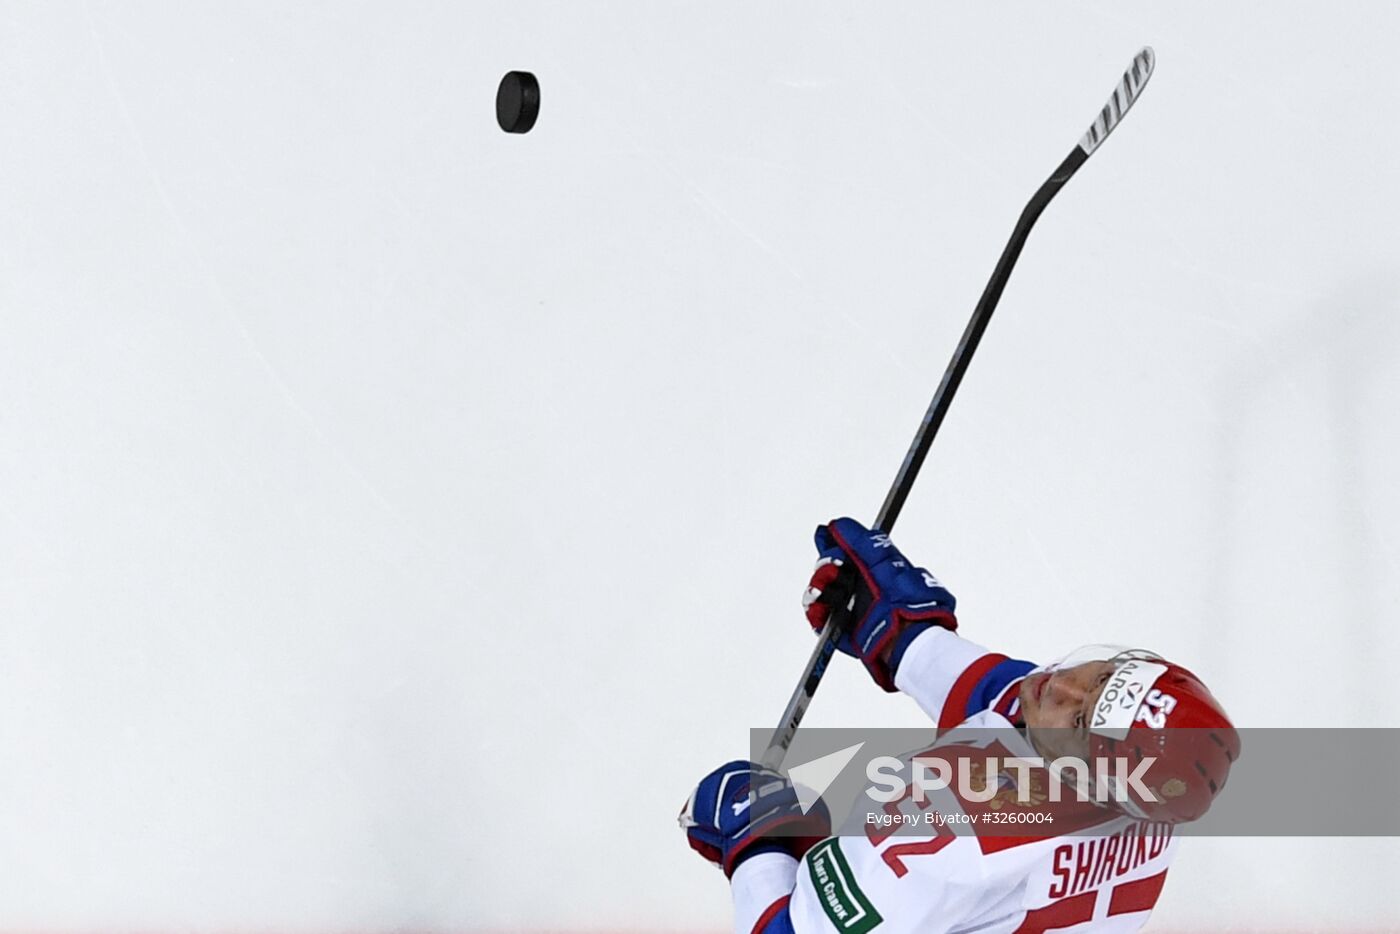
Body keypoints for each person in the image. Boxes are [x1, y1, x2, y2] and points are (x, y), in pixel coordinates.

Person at [680, 518, 1239, 934]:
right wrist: (903, 635)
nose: (1063, 685)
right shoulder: (1148, 783)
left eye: (1080, 717)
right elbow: (1011, 705)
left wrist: (754, 846)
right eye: (1101, 678)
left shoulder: (934, 834)